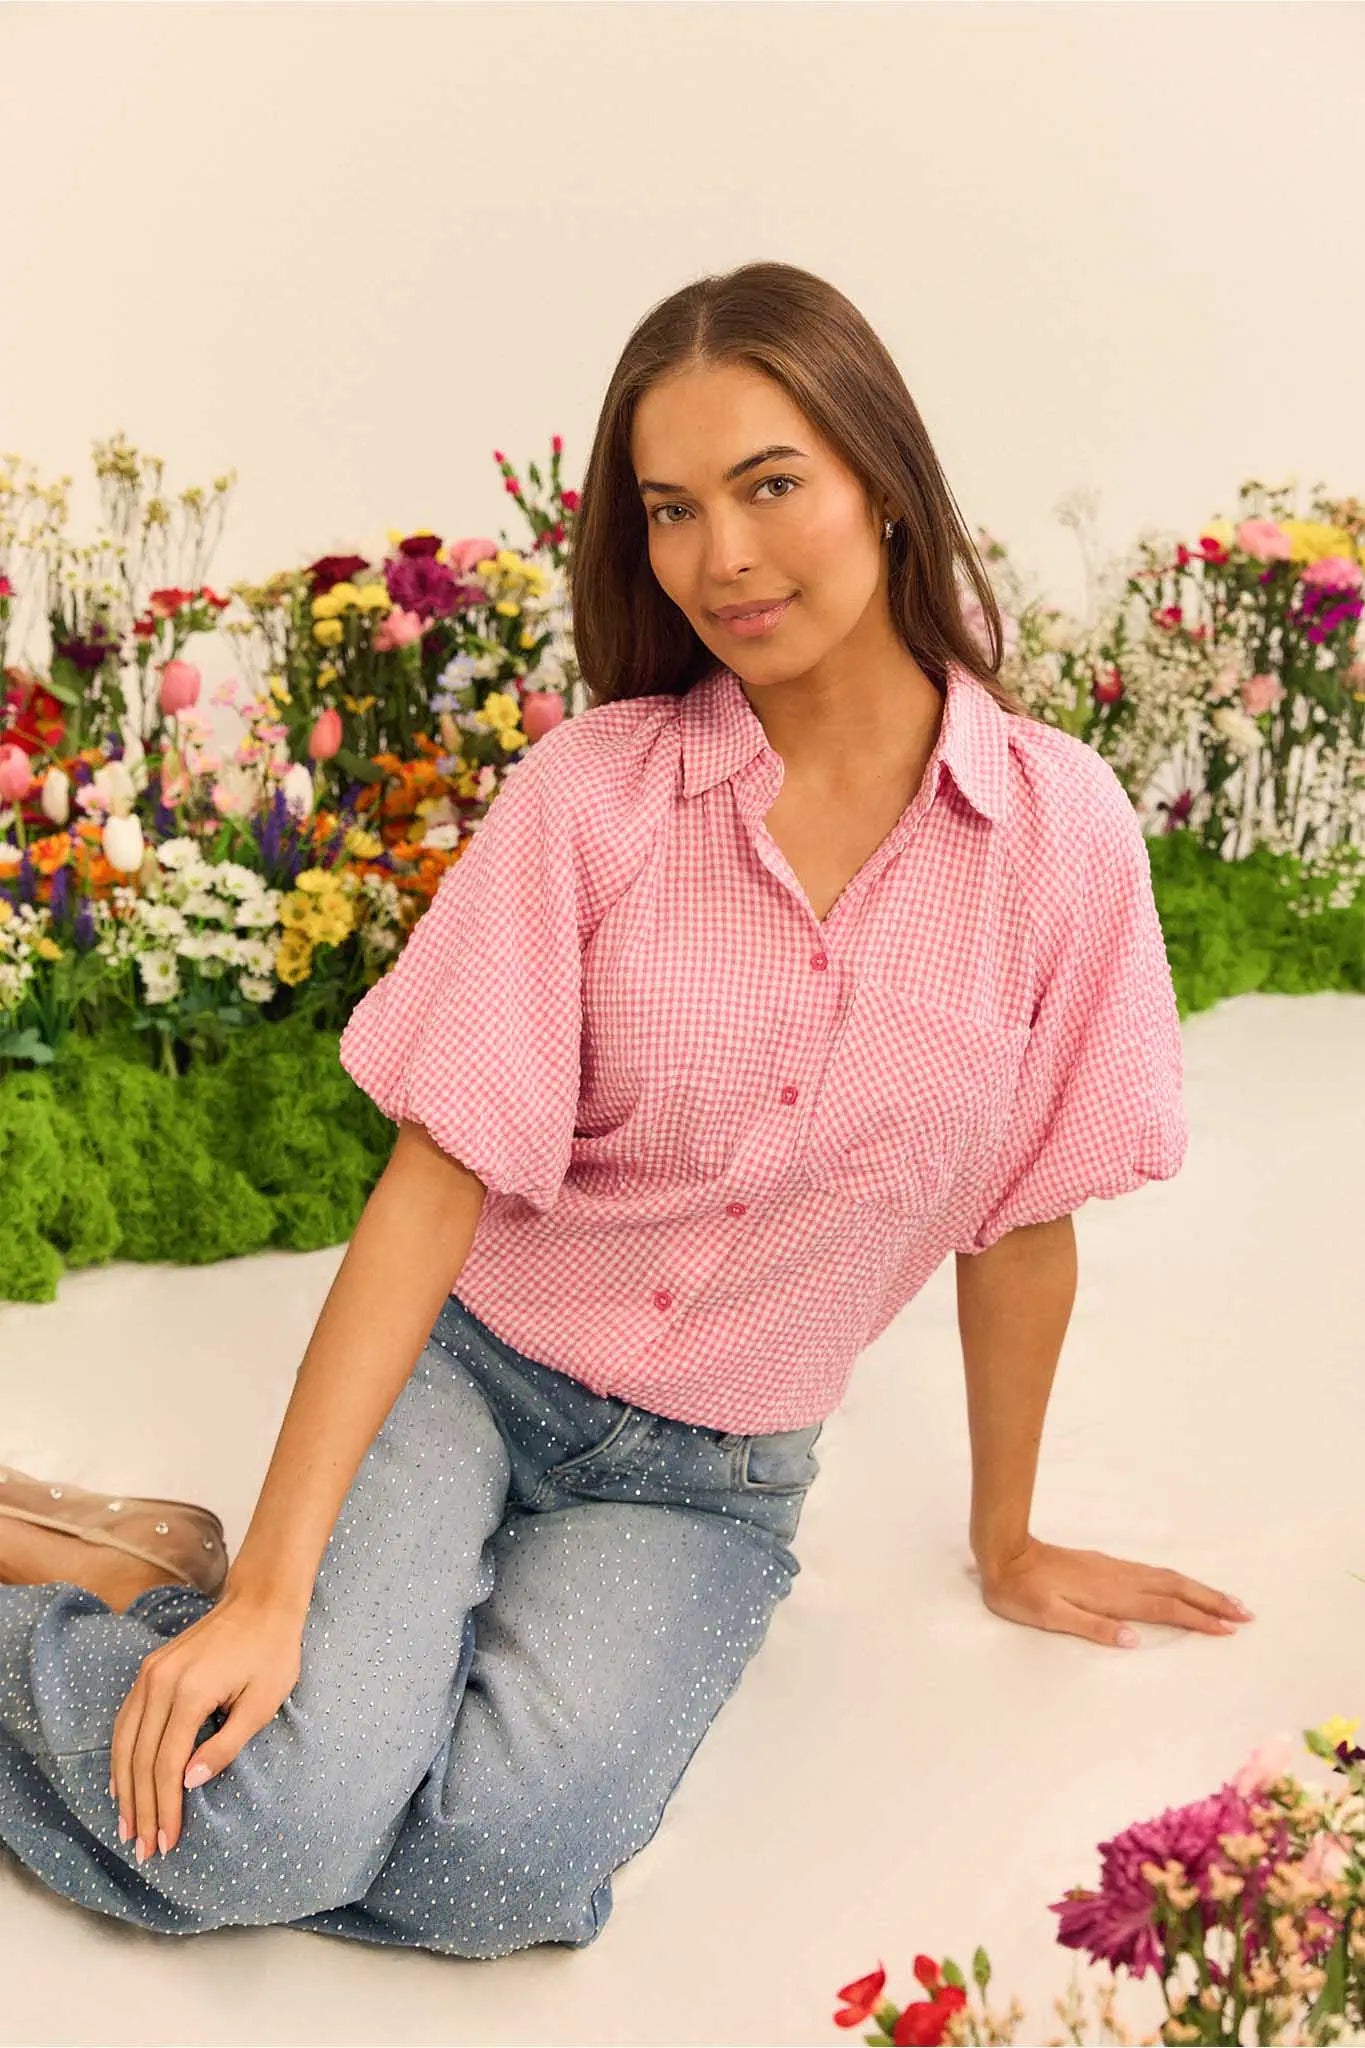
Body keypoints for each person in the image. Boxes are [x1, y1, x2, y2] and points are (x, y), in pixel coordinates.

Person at [0, 259, 1254, 1960]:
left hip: (706, 1479)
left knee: (497, 1883)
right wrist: (284, 1593)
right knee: (262, 1835)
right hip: (469, 1369)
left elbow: (1025, 1216)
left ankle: (164, 1609)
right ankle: (116, 1623)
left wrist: (1006, 1536)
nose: (720, 556)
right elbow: (429, 1195)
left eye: (768, 486)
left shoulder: (1061, 840)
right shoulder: (596, 801)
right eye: (671, 509)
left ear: (882, 482)